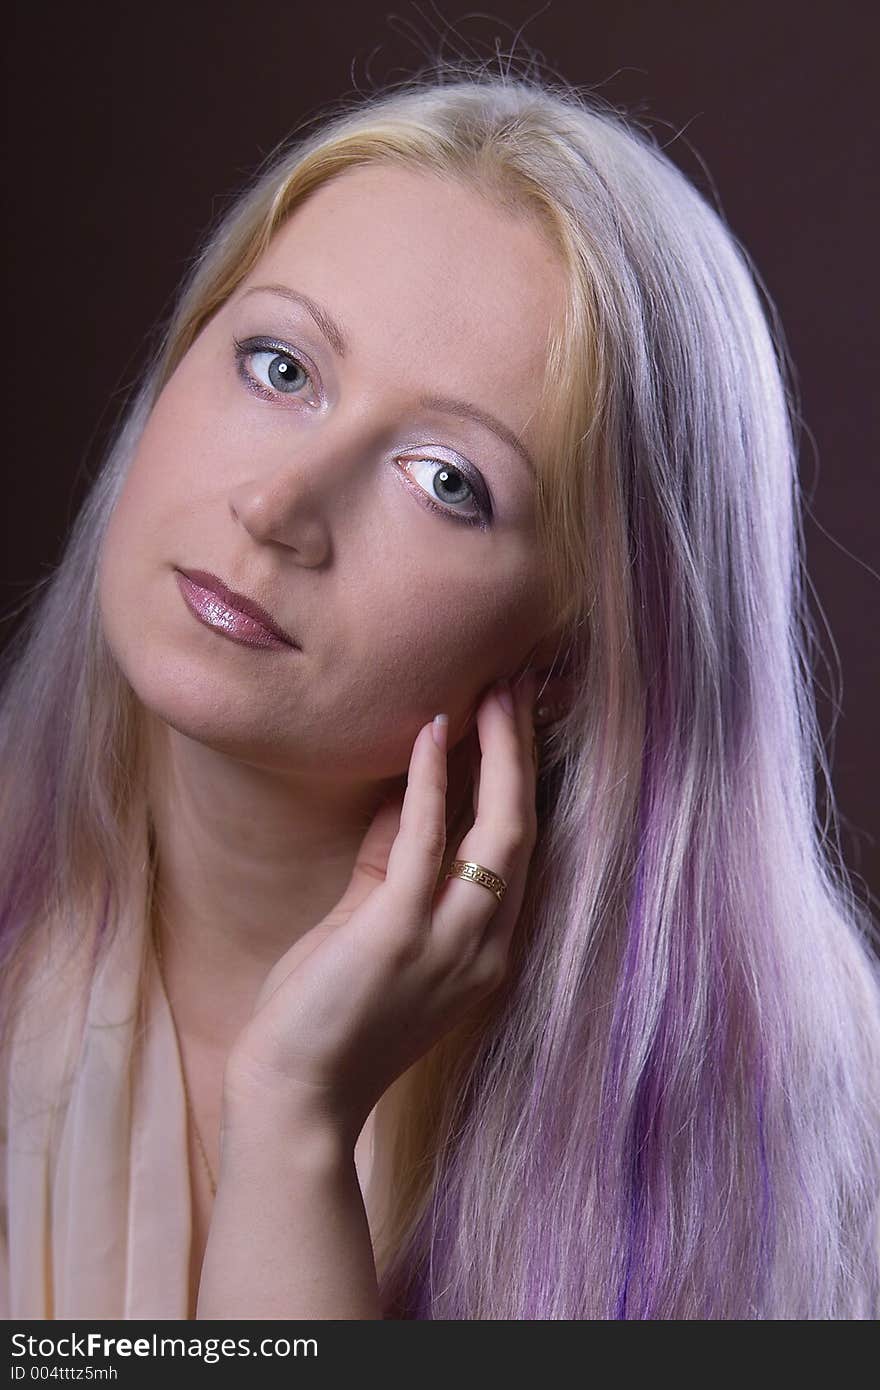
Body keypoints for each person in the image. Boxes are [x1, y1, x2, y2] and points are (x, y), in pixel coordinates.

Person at [1, 56, 879, 1322]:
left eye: (445, 479)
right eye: (279, 368)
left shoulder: (781, 1107)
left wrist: (296, 1130)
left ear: (578, 661)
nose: (277, 507)